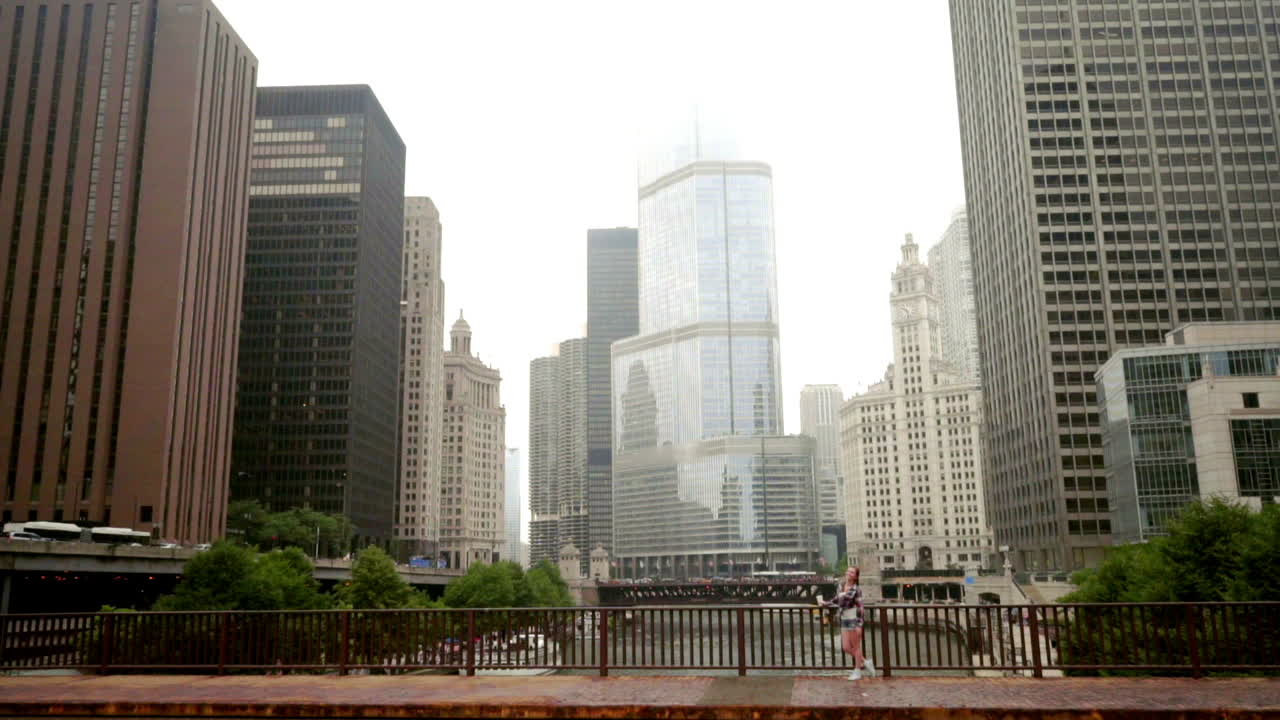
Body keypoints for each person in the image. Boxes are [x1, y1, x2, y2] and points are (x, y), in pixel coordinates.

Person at [824, 566, 875, 680]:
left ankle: (857, 671)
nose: (849, 573)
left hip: (853, 618)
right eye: (848, 571)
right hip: (844, 619)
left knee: (856, 647)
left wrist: (859, 624)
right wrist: (825, 603)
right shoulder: (842, 586)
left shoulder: (857, 589)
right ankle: (866, 662)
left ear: (856, 576)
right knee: (846, 647)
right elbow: (836, 599)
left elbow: (861, 607)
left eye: (852, 572)